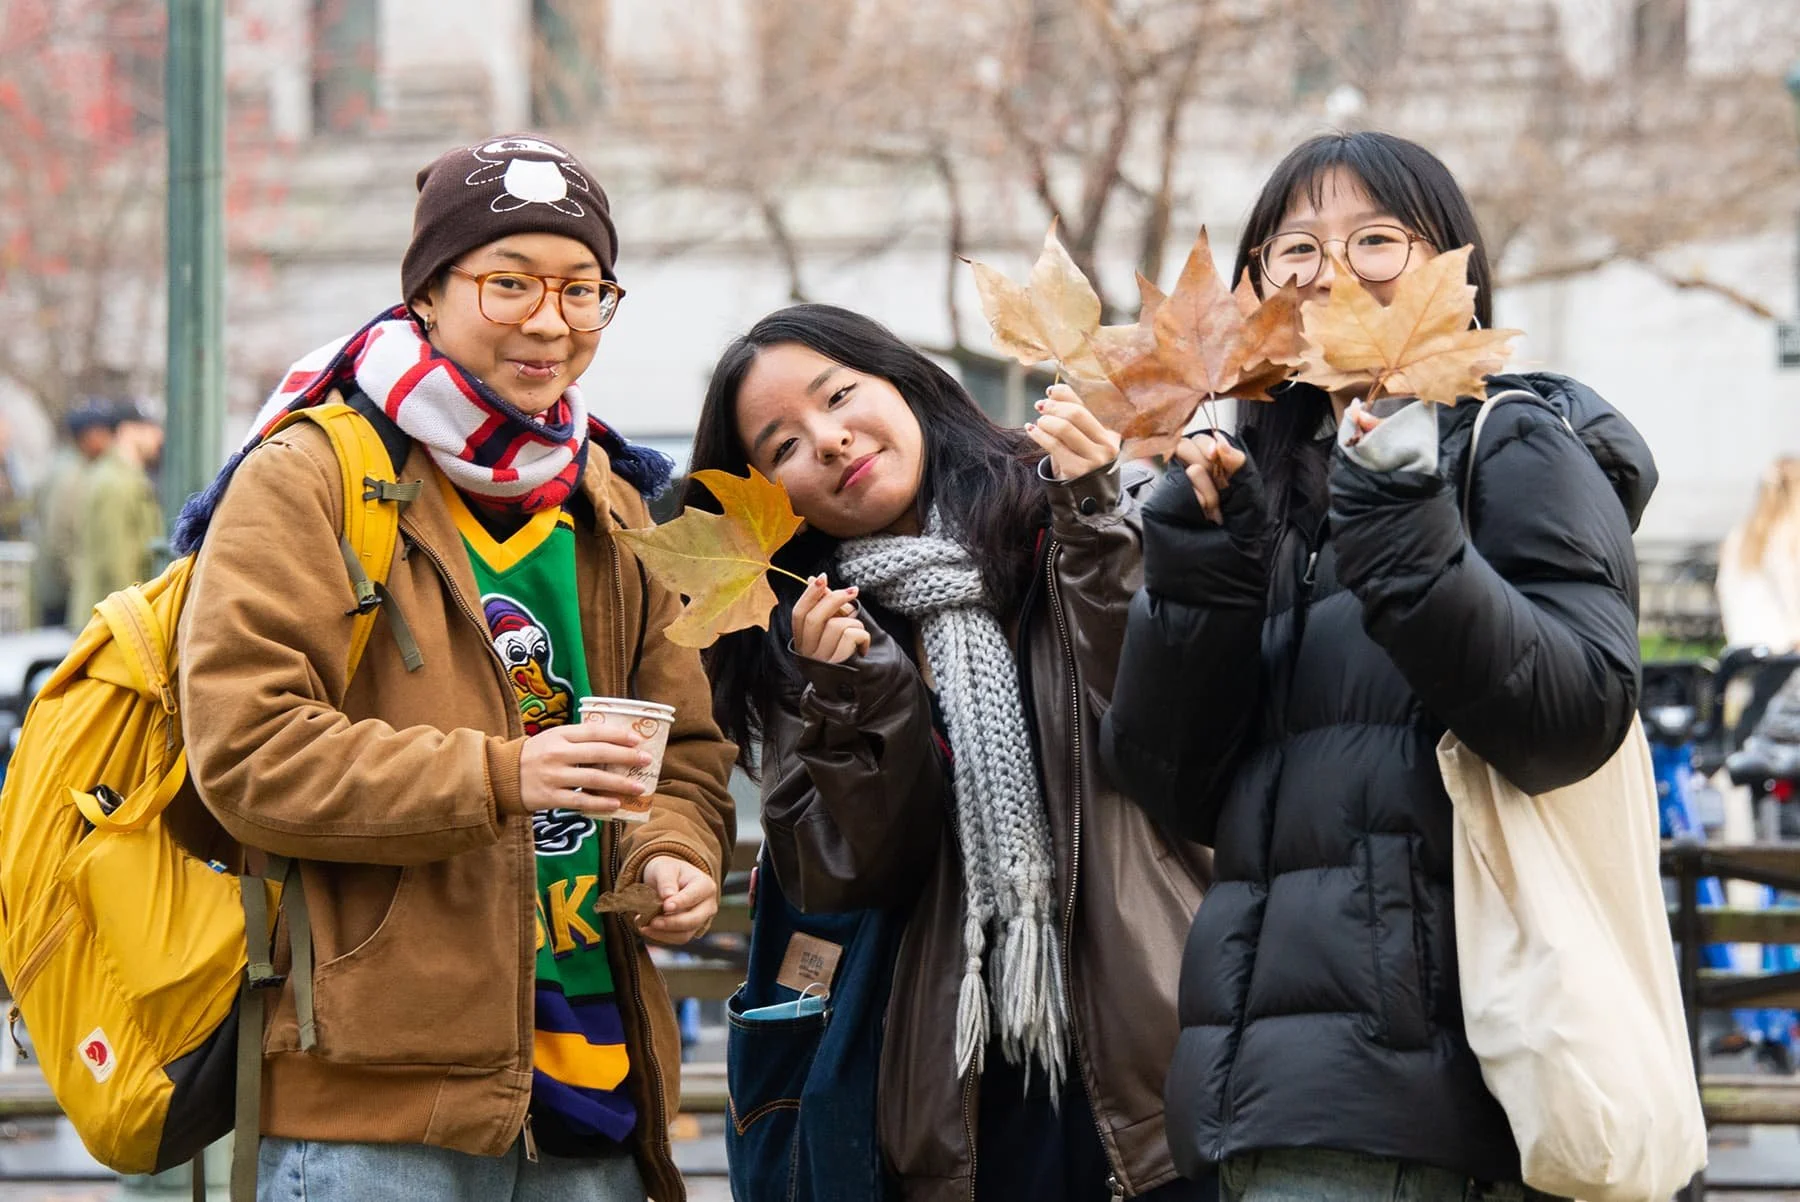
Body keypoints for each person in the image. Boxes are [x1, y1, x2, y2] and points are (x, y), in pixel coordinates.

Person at [174, 133, 737, 1202]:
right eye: (510, 282)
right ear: (429, 292)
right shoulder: (312, 475)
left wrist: (675, 851)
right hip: (374, 1104)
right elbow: (246, 753)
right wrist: (499, 777)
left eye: (583, 288)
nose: (550, 319)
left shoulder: (610, 497)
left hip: (594, 1086)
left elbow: (690, 751)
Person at [1099, 130, 1658, 1201]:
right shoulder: (1254, 484)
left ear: (1455, 267)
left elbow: (1573, 714)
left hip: (1461, 1062)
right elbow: (1172, 784)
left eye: (1377, 237)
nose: (1332, 270)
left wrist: (1403, 515)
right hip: (1260, 1076)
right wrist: (1202, 564)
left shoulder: (1514, 441)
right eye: (1294, 249)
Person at [688, 303, 1213, 1201]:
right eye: (781, 446)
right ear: (768, 494)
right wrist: (855, 690)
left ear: (904, 380)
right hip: (950, 1079)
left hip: (1149, 1047)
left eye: (840, 394)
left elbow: (1167, 729)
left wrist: (1096, 524)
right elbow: (852, 872)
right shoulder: (799, 635)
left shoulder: (1070, 512)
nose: (828, 439)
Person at [66, 401, 163, 623]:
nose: (158, 435)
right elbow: (115, 563)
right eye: (148, 428)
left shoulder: (125, 477)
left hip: (112, 617)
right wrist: (134, 620)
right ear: (127, 431)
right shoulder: (115, 482)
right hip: (113, 620)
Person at [34, 400, 115, 627]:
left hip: (62, 589)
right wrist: (81, 584)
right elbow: (60, 539)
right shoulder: (72, 476)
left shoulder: (74, 466)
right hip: (63, 595)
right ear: (88, 435)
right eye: (104, 432)